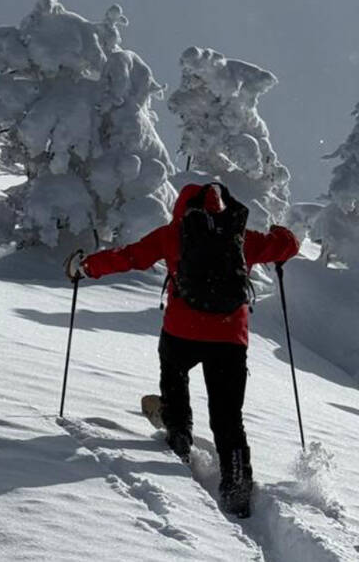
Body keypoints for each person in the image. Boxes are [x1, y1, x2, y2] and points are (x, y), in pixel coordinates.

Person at [65, 182, 299, 516]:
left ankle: (179, 434)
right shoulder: (243, 237)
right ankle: (236, 487)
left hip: (181, 332)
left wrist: (87, 267)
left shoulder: (172, 233)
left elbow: (130, 257)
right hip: (230, 339)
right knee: (228, 418)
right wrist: (281, 232)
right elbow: (289, 246)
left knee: (174, 376)